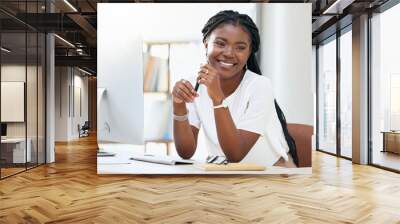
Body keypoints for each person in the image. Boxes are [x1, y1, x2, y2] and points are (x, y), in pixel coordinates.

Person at [172, 10, 298, 167]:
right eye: (220, 43)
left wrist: (217, 99)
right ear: (206, 44)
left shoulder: (260, 85)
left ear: (249, 52)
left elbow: (235, 154)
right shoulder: (195, 84)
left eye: (240, 47)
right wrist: (178, 105)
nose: (229, 53)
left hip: (272, 173)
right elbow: (186, 152)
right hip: (227, 173)